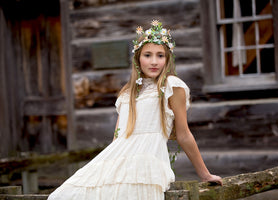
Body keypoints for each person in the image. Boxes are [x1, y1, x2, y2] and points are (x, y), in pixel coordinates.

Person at [48, 19, 222, 200]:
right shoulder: (127, 93)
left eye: (160, 55)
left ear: (167, 59)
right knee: (63, 195)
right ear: (138, 59)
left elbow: (184, 134)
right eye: (147, 55)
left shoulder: (171, 86)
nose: (154, 61)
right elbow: (118, 138)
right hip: (118, 162)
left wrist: (205, 174)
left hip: (146, 167)